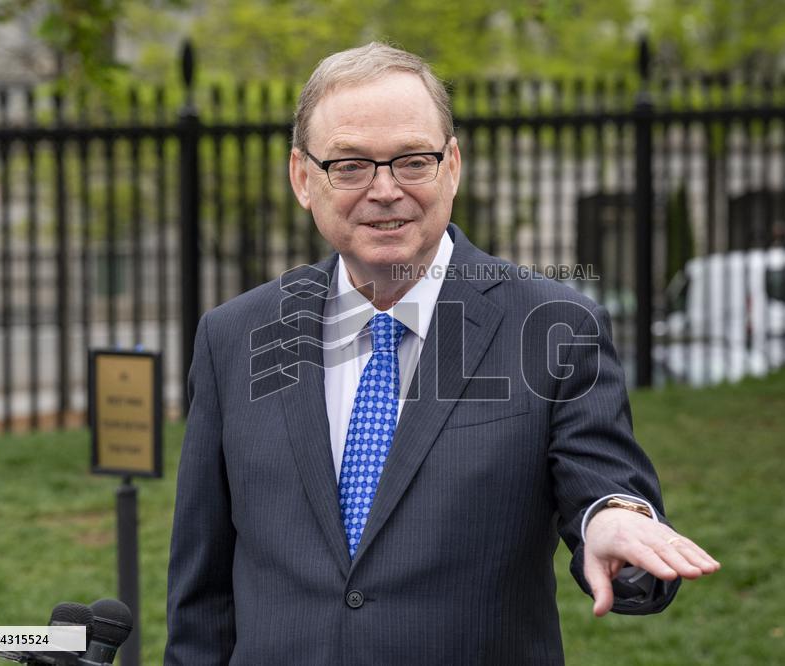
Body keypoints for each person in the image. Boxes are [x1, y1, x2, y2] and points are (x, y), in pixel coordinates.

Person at [165, 42, 719, 665]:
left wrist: (612, 519)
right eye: (349, 165)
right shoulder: (234, 336)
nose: (384, 190)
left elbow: (602, 482)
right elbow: (201, 597)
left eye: (412, 160)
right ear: (302, 177)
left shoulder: (553, 325)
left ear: (452, 164)